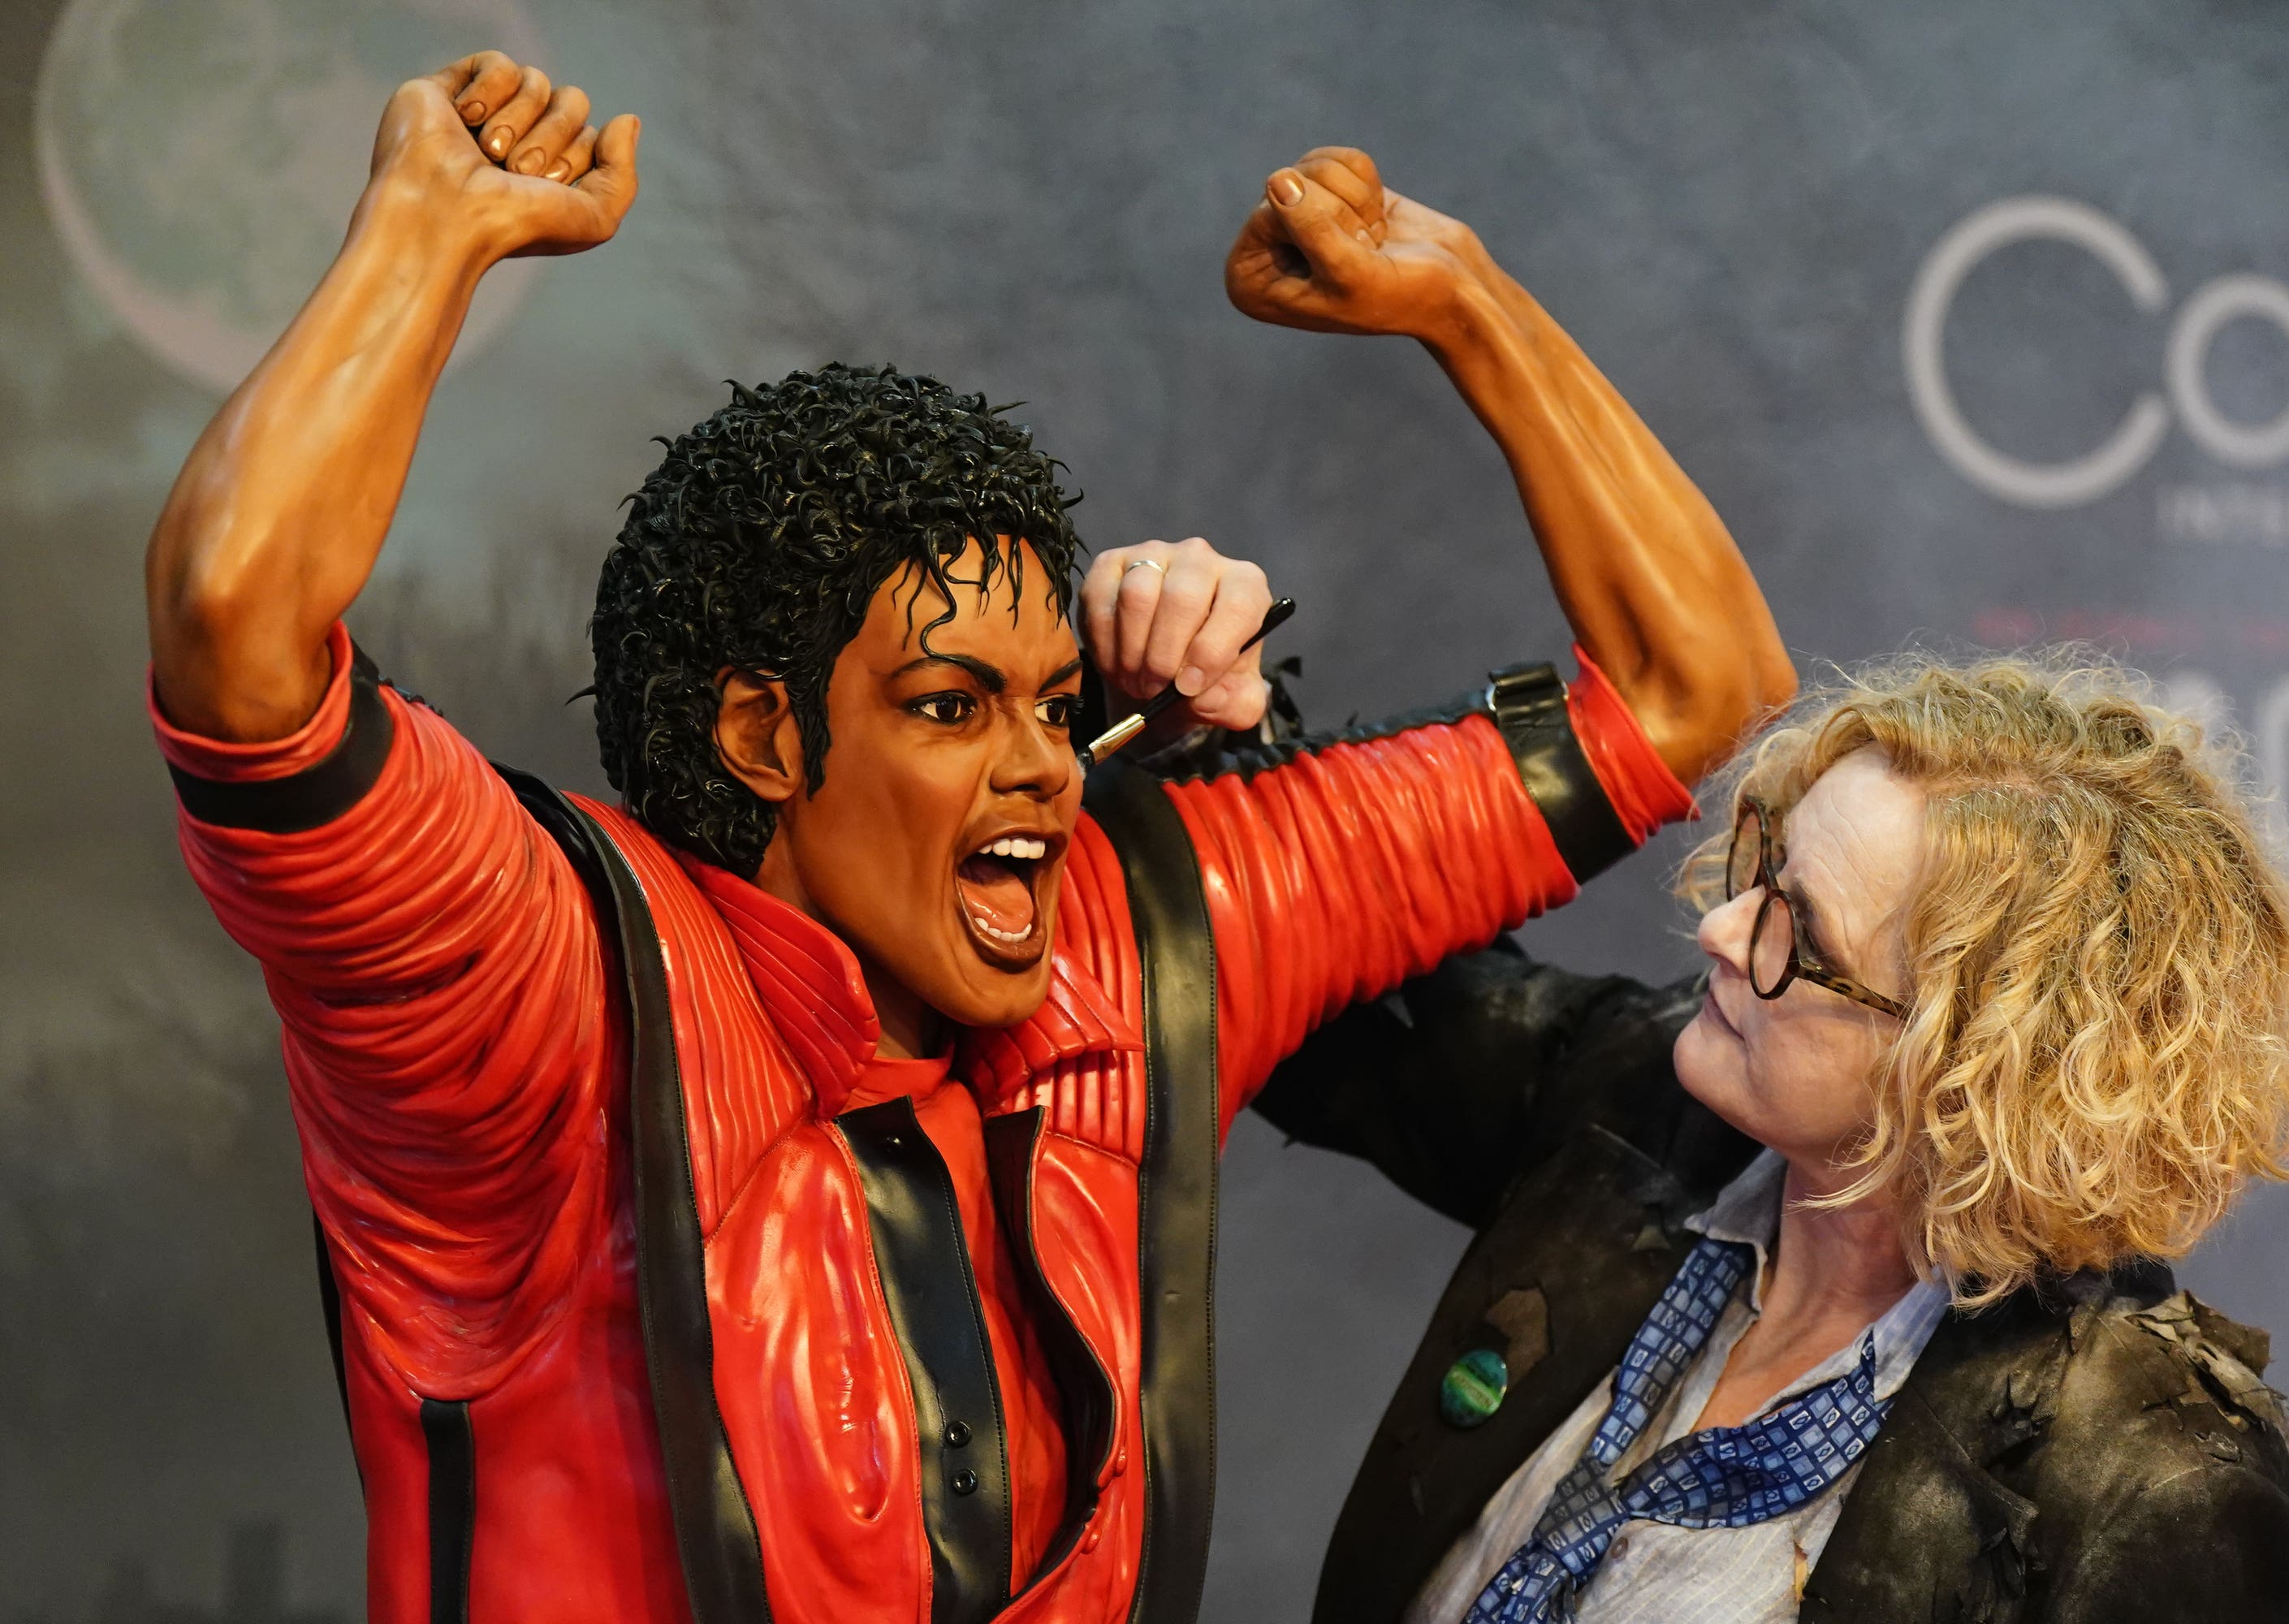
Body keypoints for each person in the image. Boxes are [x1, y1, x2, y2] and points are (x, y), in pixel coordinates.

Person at [143, 54, 1789, 1624]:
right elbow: (237, 629)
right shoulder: (544, 998)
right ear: (766, 736)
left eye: (1055, 702)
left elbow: (1694, 680)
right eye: (950, 706)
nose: (1047, 772)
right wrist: (423, 240)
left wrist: (1465, 302)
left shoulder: (1138, 935)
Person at [1252, 650, 2289, 1621]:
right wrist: (1205, 708)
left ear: (1974, 1063)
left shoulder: (2157, 1486)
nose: (1721, 930)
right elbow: (1276, 947)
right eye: (1764, 873)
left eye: (1800, 929)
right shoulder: (1632, 1099)